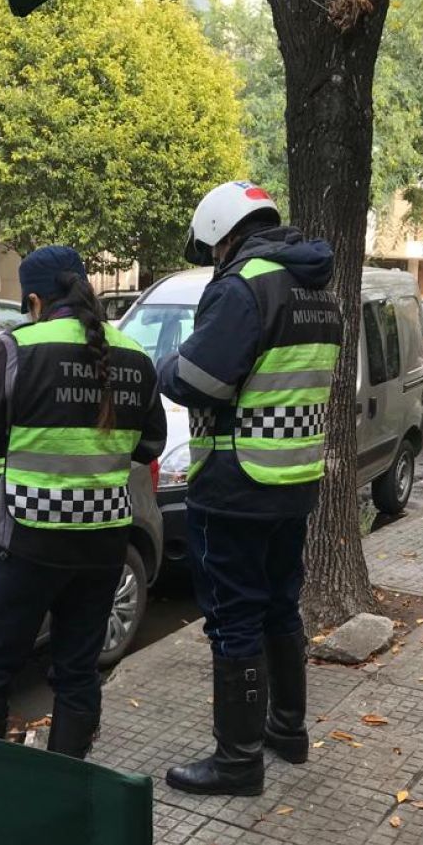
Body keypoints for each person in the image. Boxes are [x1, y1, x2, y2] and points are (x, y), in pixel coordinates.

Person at [0, 246, 167, 758]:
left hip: (26, 542)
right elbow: (151, 444)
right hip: (102, 546)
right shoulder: (134, 354)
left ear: (34, 301)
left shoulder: (20, 347)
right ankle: (69, 780)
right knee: (78, 670)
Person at [158, 181, 337, 797]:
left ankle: (237, 762)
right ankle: (286, 730)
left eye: (212, 248)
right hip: (294, 477)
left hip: (235, 483)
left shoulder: (244, 286)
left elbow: (196, 379)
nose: (214, 259)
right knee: (281, 606)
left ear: (223, 232)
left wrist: (164, 364)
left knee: (234, 618)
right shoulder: (316, 287)